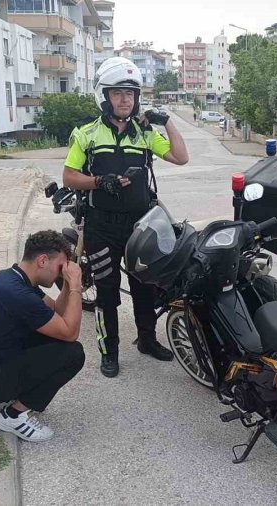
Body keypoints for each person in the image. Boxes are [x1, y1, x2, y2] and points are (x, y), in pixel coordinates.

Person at [62, 57, 189, 378]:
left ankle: (147, 340)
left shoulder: (144, 134)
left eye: (130, 94)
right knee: (107, 291)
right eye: (118, 93)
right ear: (105, 96)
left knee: (145, 288)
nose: (124, 100)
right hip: (101, 226)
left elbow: (180, 157)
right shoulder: (86, 134)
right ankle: (110, 351)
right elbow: (68, 177)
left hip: (140, 226)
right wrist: (97, 182)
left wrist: (166, 121)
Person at [0, 230, 85, 442]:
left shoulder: (14, 279)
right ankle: (13, 416)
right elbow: (70, 332)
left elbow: (57, 312)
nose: (62, 272)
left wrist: (67, 285)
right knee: (73, 353)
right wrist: (76, 286)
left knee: (52, 336)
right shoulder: (19, 295)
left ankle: (11, 398)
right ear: (42, 260)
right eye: (60, 266)